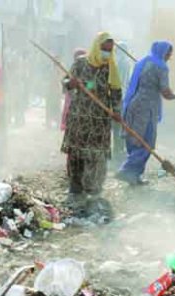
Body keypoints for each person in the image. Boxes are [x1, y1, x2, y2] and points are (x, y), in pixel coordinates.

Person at [61, 32, 122, 202]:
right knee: (76, 152)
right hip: (79, 116)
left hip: (99, 119)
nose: (107, 53)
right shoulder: (80, 63)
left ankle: (94, 187)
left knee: (98, 153)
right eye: (104, 49)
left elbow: (116, 91)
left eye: (110, 50)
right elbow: (65, 83)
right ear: (97, 46)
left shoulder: (111, 67)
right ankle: (75, 186)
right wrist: (71, 84)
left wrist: (116, 111)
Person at [116, 41, 175, 186]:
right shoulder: (161, 67)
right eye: (168, 53)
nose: (169, 56)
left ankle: (134, 176)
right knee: (147, 141)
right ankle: (127, 170)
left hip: (134, 104)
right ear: (162, 52)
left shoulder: (143, 62)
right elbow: (166, 93)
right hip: (147, 108)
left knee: (134, 138)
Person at [112, 40, 133, 160]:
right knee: (118, 124)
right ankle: (118, 149)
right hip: (120, 97)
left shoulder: (121, 63)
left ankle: (117, 149)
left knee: (117, 125)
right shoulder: (124, 62)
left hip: (119, 97)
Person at [60, 48, 87, 132]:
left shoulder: (92, 68)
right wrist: (71, 83)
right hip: (73, 99)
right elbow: (65, 81)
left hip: (87, 103)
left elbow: (95, 85)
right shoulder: (74, 67)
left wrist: (84, 85)